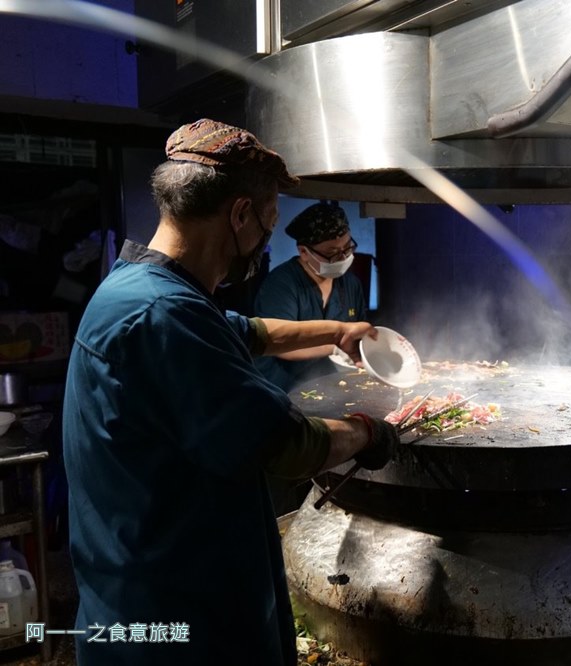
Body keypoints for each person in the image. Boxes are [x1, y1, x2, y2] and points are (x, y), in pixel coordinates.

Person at [61, 118, 401, 666]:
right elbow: (285, 445)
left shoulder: (140, 287)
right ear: (240, 214)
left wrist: (339, 330)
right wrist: (366, 432)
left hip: (134, 593)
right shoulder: (165, 315)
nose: (265, 241)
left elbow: (251, 331)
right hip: (181, 620)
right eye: (268, 225)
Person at [254, 201, 368, 392]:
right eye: (331, 253)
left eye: (347, 248)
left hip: (331, 387)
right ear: (304, 252)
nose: (342, 258)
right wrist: (335, 346)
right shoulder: (282, 284)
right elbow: (282, 344)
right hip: (281, 389)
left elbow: (358, 332)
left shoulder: (350, 284)